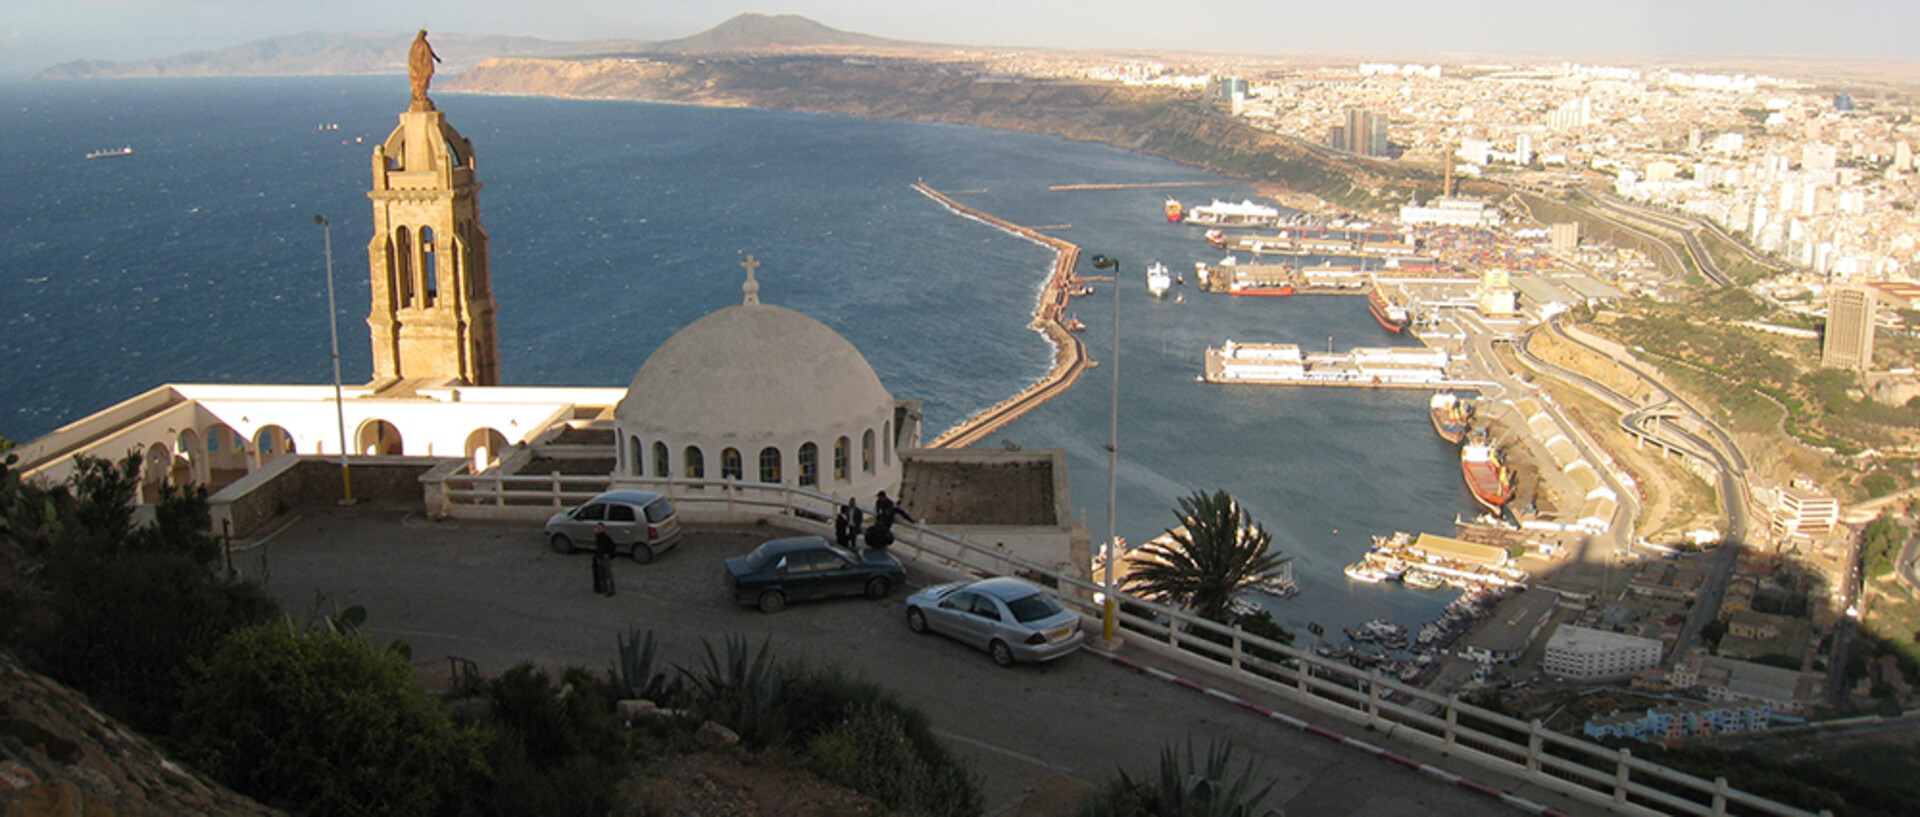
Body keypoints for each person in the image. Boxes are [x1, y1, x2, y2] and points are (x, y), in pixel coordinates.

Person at [592, 523, 616, 597]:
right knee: (602, 574)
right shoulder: (598, 536)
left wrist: (608, 554)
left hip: (604, 558)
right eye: (598, 528)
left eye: (600, 528)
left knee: (608, 574)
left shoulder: (606, 537)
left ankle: (611, 589)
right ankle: (604, 587)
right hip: (599, 557)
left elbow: (613, 546)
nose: (599, 529)